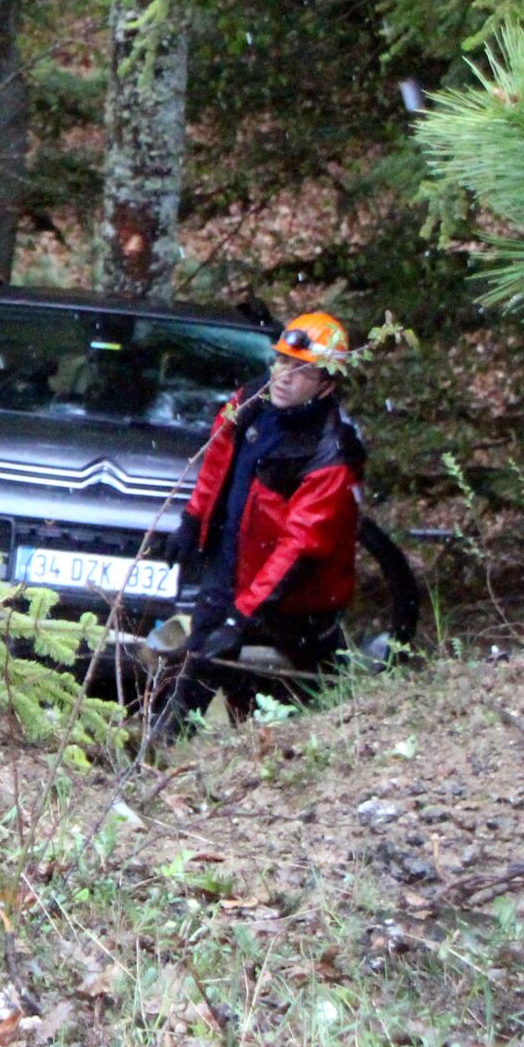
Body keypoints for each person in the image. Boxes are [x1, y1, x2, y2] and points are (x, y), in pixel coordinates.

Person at [148, 311, 364, 742]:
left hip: (297, 600)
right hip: (229, 571)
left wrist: (242, 619)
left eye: (301, 370)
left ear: (327, 384)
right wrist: (193, 520)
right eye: (282, 362)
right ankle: (158, 747)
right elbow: (217, 461)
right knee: (198, 665)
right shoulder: (249, 402)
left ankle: (344, 742)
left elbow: (299, 549)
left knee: (316, 691)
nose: (284, 376)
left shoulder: (330, 453)